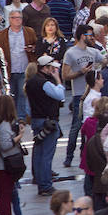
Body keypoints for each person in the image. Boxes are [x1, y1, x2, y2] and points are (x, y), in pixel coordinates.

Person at [63, 24, 106, 167]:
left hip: (93, 92)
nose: (92, 37)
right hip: (79, 94)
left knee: (90, 124)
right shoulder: (71, 53)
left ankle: (84, 153)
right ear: (82, 36)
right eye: (89, 35)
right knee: (76, 125)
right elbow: (65, 75)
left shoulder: (93, 52)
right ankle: (69, 155)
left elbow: (105, 60)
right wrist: (80, 72)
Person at [26, 54, 66, 195]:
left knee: (38, 152)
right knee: (46, 154)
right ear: (46, 68)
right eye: (51, 68)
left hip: (37, 120)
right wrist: (58, 80)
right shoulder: (45, 83)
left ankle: (39, 179)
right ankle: (45, 185)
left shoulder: (31, 82)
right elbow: (60, 95)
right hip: (48, 121)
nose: (53, 71)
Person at [0, 9, 37, 121]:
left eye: (19, 18)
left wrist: (32, 48)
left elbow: (36, 45)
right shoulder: (1, 35)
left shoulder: (29, 32)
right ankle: (12, 116)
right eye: (14, 18)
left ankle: (21, 118)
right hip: (10, 69)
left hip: (24, 67)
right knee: (11, 94)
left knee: (22, 94)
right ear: (9, 19)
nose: (17, 20)